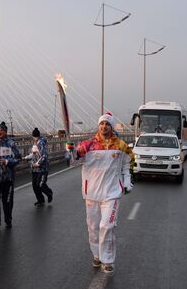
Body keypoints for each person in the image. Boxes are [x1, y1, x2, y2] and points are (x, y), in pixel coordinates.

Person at [75, 112, 134, 275]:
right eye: (101, 123)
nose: (104, 126)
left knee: (106, 226)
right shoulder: (88, 144)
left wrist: (128, 181)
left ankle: (107, 260)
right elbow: (74, 160)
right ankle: (96, 254)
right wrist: (73, 151)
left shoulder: (122, 145)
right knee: (93, 227)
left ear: (111, 126)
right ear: (98, 125)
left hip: (112, 193)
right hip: (92, 194)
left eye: (107, 124)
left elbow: (128, 164)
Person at [0, 121, 21, 228]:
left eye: (2, 130)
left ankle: (8, 219)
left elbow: (18, 158)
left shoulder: (11, 144)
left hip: (8, 178)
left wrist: (7, 162)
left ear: (6, 132)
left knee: (7, 201)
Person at [25, 128, 53, 206]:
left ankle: (49, 193)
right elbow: (33, 154)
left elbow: (44, 155)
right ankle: (40, 200)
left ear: (33, 136)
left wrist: (38, 163)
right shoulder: (35, 143)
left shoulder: (41, 143)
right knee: (35, 185)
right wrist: (26, 157)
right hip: (34, 168)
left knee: (40, 184)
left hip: (41, 168)